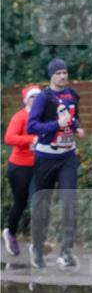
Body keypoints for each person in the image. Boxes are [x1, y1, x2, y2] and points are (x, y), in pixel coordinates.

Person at [28, 59, 85, 269]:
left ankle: (66, 251)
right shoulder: (43, 98)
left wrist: (77, 128)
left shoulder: (72, 95)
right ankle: (37, 249)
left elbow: (73, 118)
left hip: (67, 157)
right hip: (46, 157)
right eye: (58, 73)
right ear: (51, 75)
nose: (63, 76)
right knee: (42, 205)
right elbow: (32, 126)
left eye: (65, 72)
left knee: (70, 202)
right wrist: (55, 125)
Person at [3, 85, 40, 257]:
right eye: (33, 97)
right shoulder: (20, 116)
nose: (36, 100)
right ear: (26, 100)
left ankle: (37, 242)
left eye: (38, 97)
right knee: (20, 203)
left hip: (39, 166)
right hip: (19, 166)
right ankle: (10, 233)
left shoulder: (44, 117)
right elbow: (9, 138)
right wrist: (32, 139)